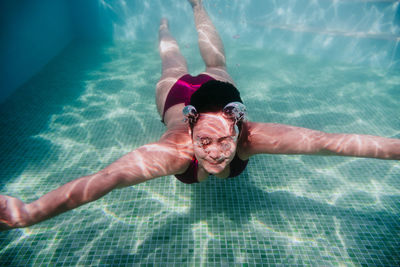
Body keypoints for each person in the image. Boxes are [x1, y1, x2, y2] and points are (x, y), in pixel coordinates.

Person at [0, 0, 399, 231]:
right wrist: (27, 213)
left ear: (239, 127)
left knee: (216, 60)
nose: (215, 153)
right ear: (191, 134)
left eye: (225, 140)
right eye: (205, 142)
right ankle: (162, 26)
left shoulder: (253, 137)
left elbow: (331, 143)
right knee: (171, 60)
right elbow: (105, 180)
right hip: (177, 97)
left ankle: (197, 4)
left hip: (215, 86)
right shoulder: (174, 154)